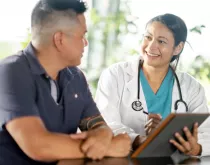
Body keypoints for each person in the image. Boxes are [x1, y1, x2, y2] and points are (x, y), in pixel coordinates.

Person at [0, 0, 131, 165]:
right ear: (59, 39)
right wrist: (109, 147)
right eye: (82, 36)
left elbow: (98, 126)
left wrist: (103, 134)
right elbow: (39, 146)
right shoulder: (10, 72)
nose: (86, 43)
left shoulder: (76, 77)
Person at [95, 13, 210, 156]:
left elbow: (207, 133)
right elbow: (104, 124)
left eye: (161, 41)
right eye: (148, 37)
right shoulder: (116, 75)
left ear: (178, 48)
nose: (151, 46)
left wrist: (196, 148)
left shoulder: (191, 87)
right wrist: (139, 140)